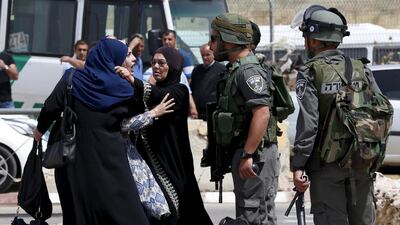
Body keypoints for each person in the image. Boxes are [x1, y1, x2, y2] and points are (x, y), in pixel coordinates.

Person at [33, 37, 150, 225]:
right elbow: (139, 112)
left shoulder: (71, 78)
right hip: (112, 162)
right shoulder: (123, 88)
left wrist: (39, 130)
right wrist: (132, 81)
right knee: (125, 212)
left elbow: (50, 107)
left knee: (79, 214)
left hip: (75, 160)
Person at [291, 5, 380, 225]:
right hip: (362, 162)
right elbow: (380, 109)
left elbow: (309, 125)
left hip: (326, 168)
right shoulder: (362, 69)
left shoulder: (310, 73)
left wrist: (299, 165)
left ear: (313, 40)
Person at [120, 46, 213, 225]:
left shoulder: (179, 91)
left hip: (173, 161)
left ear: (173, 66)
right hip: (150, 161)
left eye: (162, 63)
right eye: (154, 62)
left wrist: (133, 79)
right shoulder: (152, 90)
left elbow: (160, 96)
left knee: (182, 208)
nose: (156, 67)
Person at [210, 13, 279, 225]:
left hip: (255, 155)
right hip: (249, 152)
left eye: (214, 39)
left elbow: (262, 112)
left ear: (229, 41)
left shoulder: (247, 71)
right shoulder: (237, 69)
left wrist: (248, 154)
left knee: (253, 216)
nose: (210, 45)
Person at [162, 30, 198, 119]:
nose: (167, 42)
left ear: (175, 40)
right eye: (164, 39)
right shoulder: (159, 55)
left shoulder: (184, 56)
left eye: (170, 39)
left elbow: (189, 80)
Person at [190, 43, 226, 120]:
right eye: (202, 55)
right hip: (198, 112)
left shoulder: (222, 70)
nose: (205, 57)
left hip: (214, 111)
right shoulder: (197, 70)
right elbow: (192, 89)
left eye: (207, 55)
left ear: (213, 54)